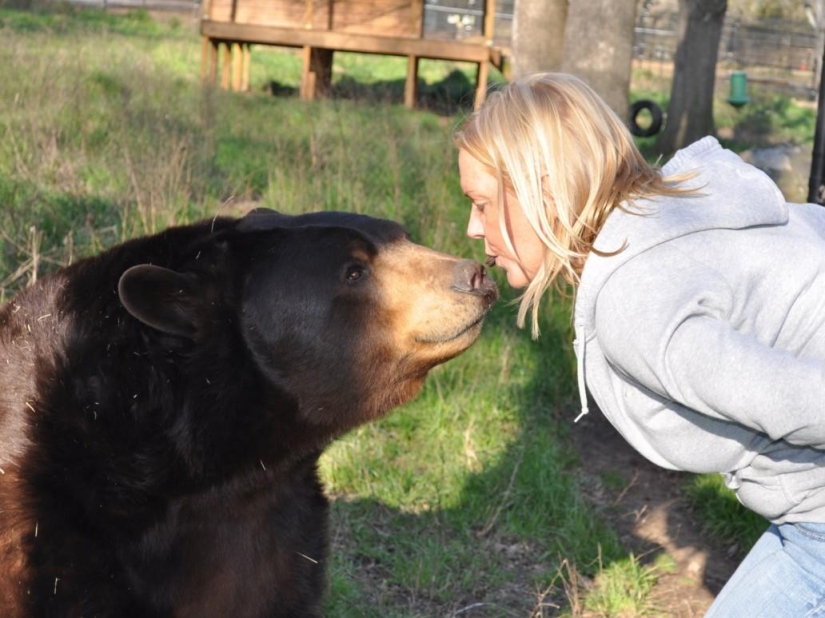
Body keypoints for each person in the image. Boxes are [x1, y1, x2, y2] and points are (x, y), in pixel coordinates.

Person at [454, 71, 825, 617]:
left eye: (481, 203)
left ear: (545, 188)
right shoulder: (677, 219)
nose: (470, 226)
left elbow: (806, 401)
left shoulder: (636, 299)